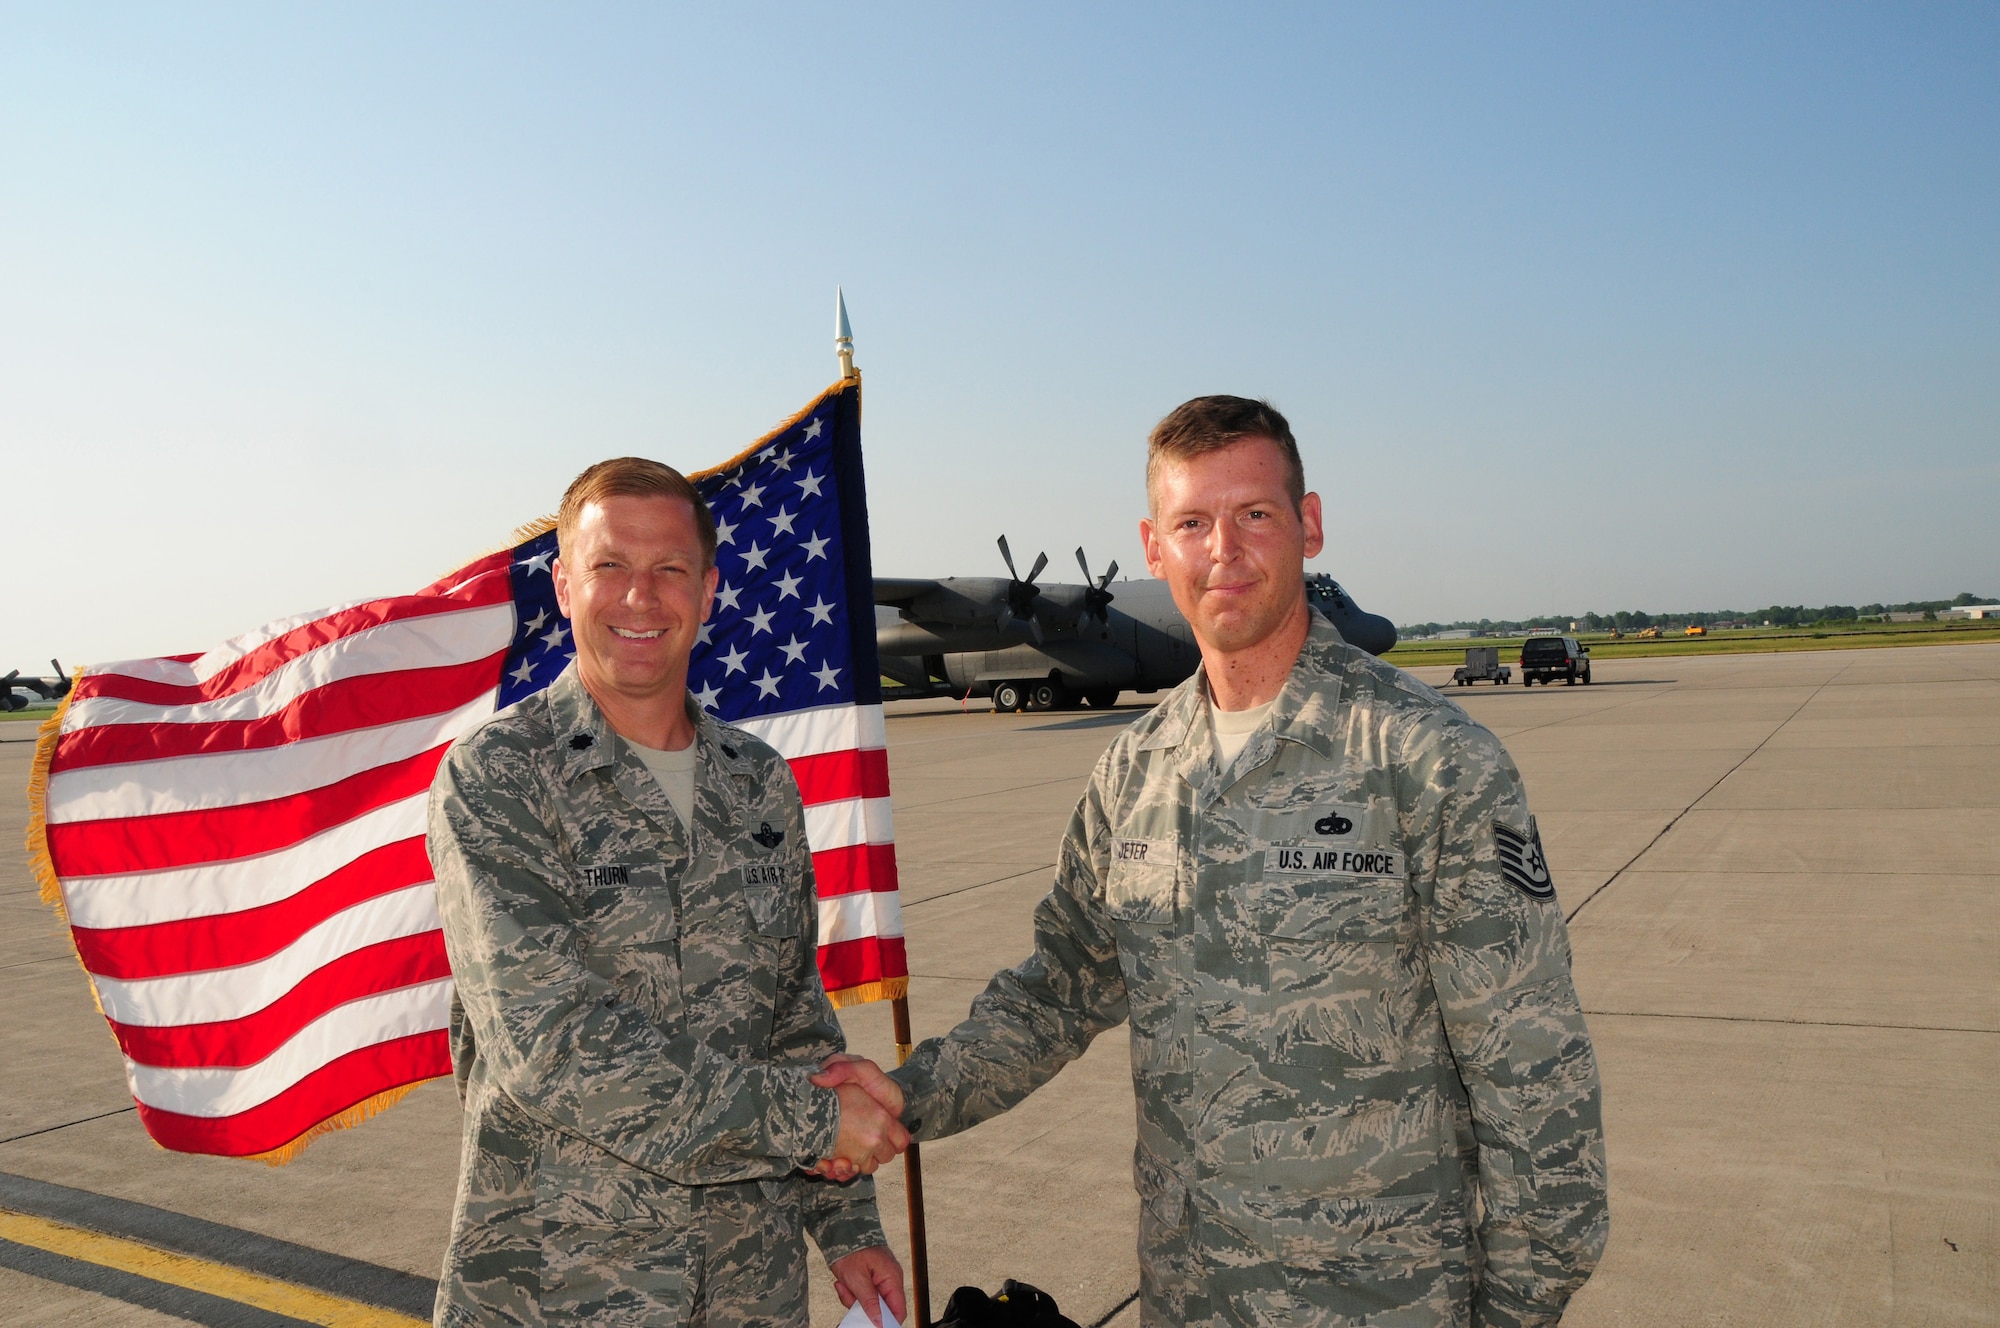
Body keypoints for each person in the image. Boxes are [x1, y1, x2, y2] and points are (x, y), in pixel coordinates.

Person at [824, 397, 1608, 1326]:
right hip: (1191, 1295)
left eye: (1255, 515)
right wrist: (904, 1099)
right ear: (1155, 549)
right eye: (1194, 523)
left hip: (1381, 1302)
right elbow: (1060, 990)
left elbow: (1536, 1078)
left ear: (1309, 527)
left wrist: (1518, 1311)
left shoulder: (1431, 761)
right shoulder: (1135, 769)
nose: (1223, 551)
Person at [428, 458, 908, 1328]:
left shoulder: (757, 781)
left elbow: (794, 1018)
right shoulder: (500, 776)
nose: (640, 597)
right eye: (610, 566)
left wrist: (845, 1225)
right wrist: (811, 1125)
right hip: (563, 1282)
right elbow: (555, 1043)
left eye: (670, 569)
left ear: (710, 587)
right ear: (564, 584)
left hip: (746, 1282)